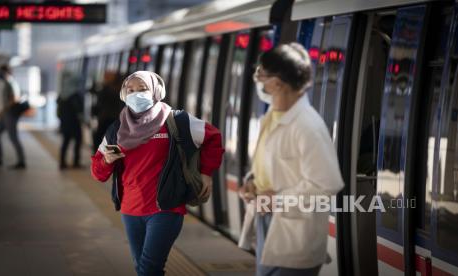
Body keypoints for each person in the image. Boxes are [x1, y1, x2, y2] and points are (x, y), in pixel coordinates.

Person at [90, 71, 224, 276]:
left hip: (166, 208)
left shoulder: (176, 121)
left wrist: (206, 173)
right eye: (131, 90)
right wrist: (107, 161)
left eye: (142, 89)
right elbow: (98, 173)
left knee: (149, 269)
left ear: (156, 90)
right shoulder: (117, 130)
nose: (136, 94)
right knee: (141, 267)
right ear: (123, 94)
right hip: (130, 209)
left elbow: (213, 138)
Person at [238, 43, 344, 276]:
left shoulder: (307, 126)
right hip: (268, 222)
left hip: (295, 231)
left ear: (276, 82)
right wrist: (252, 181)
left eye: (261, 75)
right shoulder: (273, 115)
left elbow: (326, 185)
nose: (259, 82)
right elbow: (267, 162)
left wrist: (277, 199)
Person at [0, 64, 26, 169]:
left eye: (1, 72)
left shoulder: (11, 83)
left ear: (5, 72)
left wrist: (4, 110)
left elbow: (14, 99)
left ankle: (21, 161)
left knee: (13, 137)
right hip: (6, 114)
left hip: (10, 114)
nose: (0, 74)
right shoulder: (8, 83)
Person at [91, 71, 125, 153]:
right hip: (116, 118)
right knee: (113, 139)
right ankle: (113, 157)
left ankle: (98, 154)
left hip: (105, 118)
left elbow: (99, 102)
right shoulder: (121, 89)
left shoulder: (106, 89)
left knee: (98, 137)